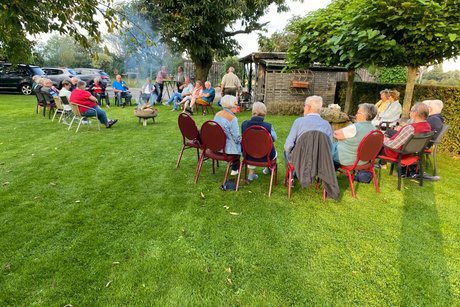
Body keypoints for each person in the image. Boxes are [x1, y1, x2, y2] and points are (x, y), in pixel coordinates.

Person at [284, 95, 332, 162]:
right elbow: (329, 147)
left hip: (300, 160)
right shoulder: (327, 125)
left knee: (286, 151)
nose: (304, 108)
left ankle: (293, 172)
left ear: (308, 107)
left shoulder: (298, 122)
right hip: (318, 160)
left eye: (305, 106)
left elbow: (288, 145)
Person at [332, 103, 377, 167]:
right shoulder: (375, 129)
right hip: (364, 161)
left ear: (364, 115)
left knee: (325, 148)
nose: (356, 115)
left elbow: (335, 133)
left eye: (358, 113)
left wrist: (342, 137)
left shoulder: (354, 127)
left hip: (347, 160)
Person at [241, 102, 277, 181]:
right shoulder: (268, 126)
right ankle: (269, 169)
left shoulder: (244, 124)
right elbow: (274, 138)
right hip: (266, 156)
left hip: (248, 154)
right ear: (264, 113)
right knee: (270, 148)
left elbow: (243, 138)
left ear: (252, 112)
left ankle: (251, 174)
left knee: (252, 147)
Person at [213, 95, 241, 175]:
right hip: (227, 150)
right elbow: (236, 139)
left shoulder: (217, 114)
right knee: (242, 143)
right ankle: (235, 169)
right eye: (236, 104)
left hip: (215, 146)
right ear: (230, 105)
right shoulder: (232, 118)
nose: (237, 106)